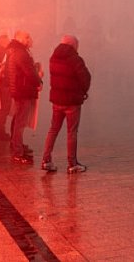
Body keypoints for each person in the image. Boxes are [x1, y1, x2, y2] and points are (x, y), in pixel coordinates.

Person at [41, 35, 91, 174]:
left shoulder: (53, 57)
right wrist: (83, 91)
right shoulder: (75, 59)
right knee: (72, 132)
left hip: (57, 100)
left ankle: (46, 160)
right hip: (72, 102)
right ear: (73, 45)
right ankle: (72, 163)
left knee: (53, 129)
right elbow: (85, 77)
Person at [5, 31, 42, 164]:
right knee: (20, 122)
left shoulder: (18, 51)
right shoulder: (20, 53)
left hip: (20, 90)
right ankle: (17, 152)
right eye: (27, 37)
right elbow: (29, 72)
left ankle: (18, 146)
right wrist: (39, 81)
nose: (29, 39)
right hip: (22, 90)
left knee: (19, 120)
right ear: (19, 38)